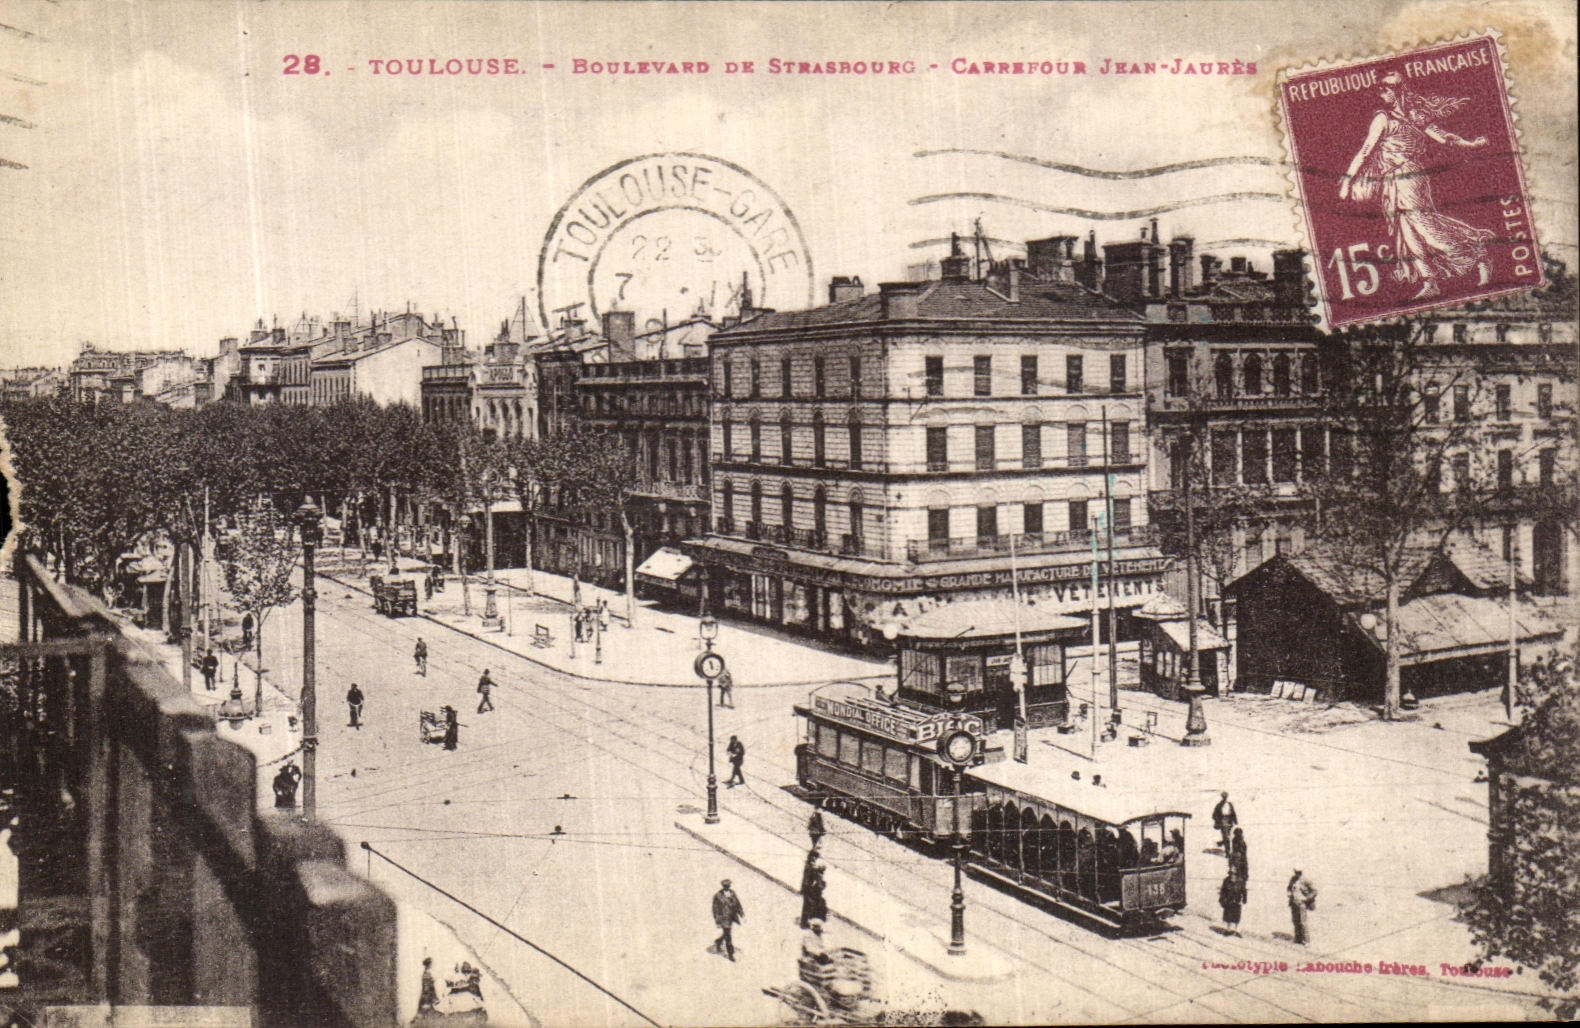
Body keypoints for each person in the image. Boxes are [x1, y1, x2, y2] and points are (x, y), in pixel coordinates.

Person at [1338, 72, 1494, 300]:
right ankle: (1430, 281)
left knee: (1424, 225)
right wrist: (1348, 180)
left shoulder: (1413, 116)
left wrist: (1471, 144)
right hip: (1391, 181)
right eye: (1381, 89)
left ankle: (1477, 255)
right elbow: (1365, 150)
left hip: (1411, 176)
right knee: (1408, 232)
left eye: (1387, 89)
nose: (1382, 93)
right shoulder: (1382, 118)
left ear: (1398, 90)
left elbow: (1443, 137)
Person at [710, 879, 744, 962]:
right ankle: (730, 954)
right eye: (726, 886)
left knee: (726, 933)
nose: (727, 887)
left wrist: (741, 913)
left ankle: (718, 941)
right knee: (728, 936)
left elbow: (737, 904)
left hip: (731, 916)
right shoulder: (718, 896)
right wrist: (717, 920)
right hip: (723, 919)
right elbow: (715, 909)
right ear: (723, 886)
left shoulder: (732, 893)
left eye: (728, 886)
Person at [1287, 869, 1317, 945]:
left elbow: (1314, 891)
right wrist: (1289, 893)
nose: (1297, 874)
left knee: (1303, 922)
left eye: (1299, 872)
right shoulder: (1293, 879)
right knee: (1295, 921)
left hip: (1302, 904)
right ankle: (1298, 939)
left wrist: (1306, 898)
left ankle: (1306, 941)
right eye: (1296, 872)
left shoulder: (1306, 880)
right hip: (1294, 903)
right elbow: (1289, 888)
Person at [800, 853, 828, 929]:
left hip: (810, 891)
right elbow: (818, 884)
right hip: (811, 892)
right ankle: (807, 922)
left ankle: (805, 921)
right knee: (812, 906)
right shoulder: (815, 872)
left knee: (808, 906)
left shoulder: (812, 868)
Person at [1219, 872, 1246, 937]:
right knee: (1228, 915)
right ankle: (1228, 930)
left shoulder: (1240, 881)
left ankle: (1235, 930)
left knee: (1236, 916)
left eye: (1234, 874)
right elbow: (1223, 890)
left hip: (1237, 900)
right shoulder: (1226, 880)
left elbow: (1244, 891)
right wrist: (1222, 899)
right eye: (1231, 874)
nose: (1232, 876)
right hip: (1228, 900)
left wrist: (1244, 899)